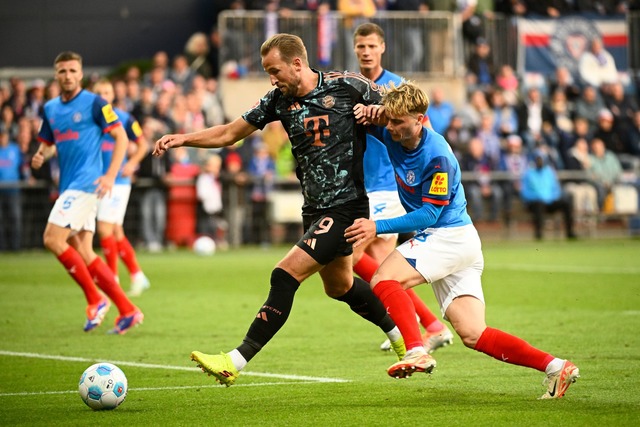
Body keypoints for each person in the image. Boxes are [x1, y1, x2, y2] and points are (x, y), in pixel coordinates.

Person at [153, 33, 405, 386]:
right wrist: (183, 138)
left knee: (284, 274)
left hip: (347, 206)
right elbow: (229, 133)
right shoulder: (277, 100)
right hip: (315, 209)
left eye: (275, 70)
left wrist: (380, 113)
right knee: (341, 286)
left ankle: (235, 360)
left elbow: (408, 109)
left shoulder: (348, 86)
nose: (272, 78)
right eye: (268, 72)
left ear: (297, 64)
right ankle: (403, 339)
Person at [346, 81, 579, 399]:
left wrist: (377, 225)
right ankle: (556, 367)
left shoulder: (437, 156)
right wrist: (366, 112)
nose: (393, 127)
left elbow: (429, 215)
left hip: (448, 235)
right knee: (474, 334)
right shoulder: (392, 129)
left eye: (399, 121)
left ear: (420, 119)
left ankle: (415, 349)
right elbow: (372, 121)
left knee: (384, 279)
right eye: (391, 120)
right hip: (459, 241)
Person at [352, 22, 453, 355]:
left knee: (360, 259)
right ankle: (430, 326)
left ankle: (409, 329)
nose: (366, 52)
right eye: (360, 46)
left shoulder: (395, 88)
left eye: (371, 46)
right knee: (370, 263)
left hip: (386, 187)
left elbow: (427, 133)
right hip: (360, 186)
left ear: (382, 48)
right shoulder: (351, 85)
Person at [32, 51, 143, 334]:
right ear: (56, 75)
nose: (67, 76)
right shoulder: (51, 109)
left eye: (72, 71)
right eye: (62, 71)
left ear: (80, 74)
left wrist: (110, 175)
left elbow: (120, 136)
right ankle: (128, 309)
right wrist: (40, 154)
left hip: (87, 184)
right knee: (83, 249)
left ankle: (95, 299)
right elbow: (47, 142)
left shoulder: (95, 103)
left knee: (52, 238)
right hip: (69, 185)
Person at [92, 79, 151, 297]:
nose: (104, 95)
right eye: (100, 92)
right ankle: (137, 275)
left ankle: (112, 280)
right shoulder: (91, 119)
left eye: (107, 91)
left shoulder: (124, 118)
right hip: (98, 180)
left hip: (118, 182)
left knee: (105, 229)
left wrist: (132, 163)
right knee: (116, 231)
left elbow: (143, 144)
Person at [521, 149, 576, 240]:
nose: (540, 162)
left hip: (550, 201)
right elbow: (525, 192)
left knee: (566, 203)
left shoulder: (549, 172)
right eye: (538, 159)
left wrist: (549, 198)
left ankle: (570, 232)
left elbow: (556, 189)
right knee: (538, 205)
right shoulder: (528, 173)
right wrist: (539, 198)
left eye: (541, 159)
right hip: (535, 202)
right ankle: (539, 234)